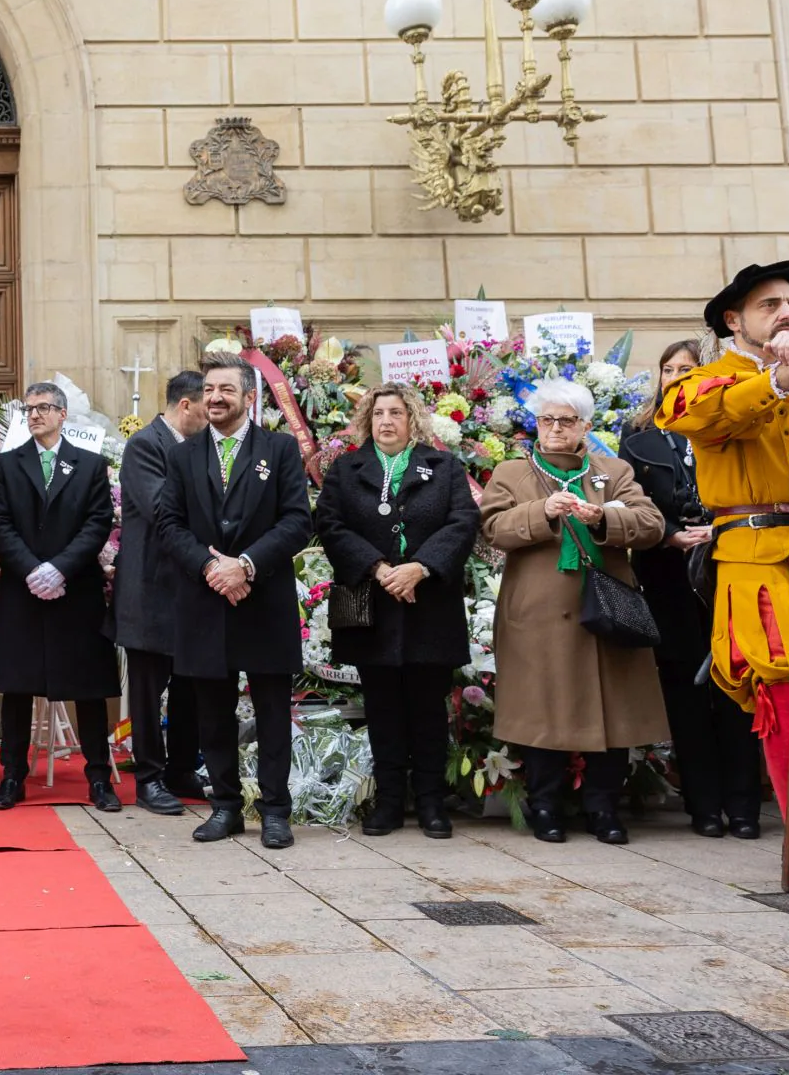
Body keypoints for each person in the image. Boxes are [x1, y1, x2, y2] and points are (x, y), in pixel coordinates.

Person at [661, 260, 789, 905]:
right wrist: (779, 376)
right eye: (769, 303)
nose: (786, 311)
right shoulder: (705, 378)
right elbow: (694, 416)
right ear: (733, 320)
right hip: (756, 551)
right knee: (784, 687)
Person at [480, 378, 669, 846]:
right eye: (548, 419)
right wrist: (543, 511)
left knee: (613, 712)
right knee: (541, 712)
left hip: (606, 610)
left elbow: (651, 524)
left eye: (567, 420)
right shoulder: (511, 472)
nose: (557, 428)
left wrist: (602, 517)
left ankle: (603, 807)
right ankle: (544, 805)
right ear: (536, 424)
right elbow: (492, 528)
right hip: (537, 613)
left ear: (585, 425)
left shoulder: (613, 469)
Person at [156, 354, 314, 849]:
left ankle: (274, 811)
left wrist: (244, 565)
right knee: (213, 713)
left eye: (226, 389)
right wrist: (211, 568)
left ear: (250, 397)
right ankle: (224, 806)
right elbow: (168, 524)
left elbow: (297, 521)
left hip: (263, 600)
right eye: (209, 389)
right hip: (206, 603)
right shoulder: (183, 455)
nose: (216, 397)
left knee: (270, 711)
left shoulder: (281, 449)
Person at [314, 383, 480, 839]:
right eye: (378, 413)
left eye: (396, 413)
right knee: (382, 709)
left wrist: (421, 568)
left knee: (428, 710)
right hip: (374, 607)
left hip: (429, 606)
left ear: (413, 420)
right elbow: (329, 523)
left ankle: (430, 804)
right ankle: (388, 803)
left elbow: (463, 521)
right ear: (368, 419)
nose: (386, 421)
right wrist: (379, 567)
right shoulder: (348, 468)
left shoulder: (443, 466)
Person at [621, 341, 764, 839]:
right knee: (683, 687)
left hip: (731, 562)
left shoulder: (731, 422)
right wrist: (667, 533)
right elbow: (628, 498)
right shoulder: (638, 435)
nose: (676, 376)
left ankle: (744, 805)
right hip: (668, 571)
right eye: (668, 369)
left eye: (688, 368)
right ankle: (703, 805)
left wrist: (723, 527)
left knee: (736, 683)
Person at [0, 382, 121, 814]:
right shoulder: (8, 463)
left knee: (88, 687)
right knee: (18, 686)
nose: (35, 415)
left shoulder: (89, 464)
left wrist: (60, 567)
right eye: (29, 409)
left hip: (74, 588)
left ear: (63, 414)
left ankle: (99, 777)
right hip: (23, 590)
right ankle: (12, 776)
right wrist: (32, 569)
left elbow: (98, 523)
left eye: (44, 408)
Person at [111, 370, 207, 815]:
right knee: (149, 693)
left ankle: (182, 768)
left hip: (191, 590)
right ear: (185, 406)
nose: (213, 417)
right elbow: (158, 509)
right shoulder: (146, 445)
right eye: (207, 408)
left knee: (190, 684)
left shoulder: (199, 446)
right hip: (150, 589)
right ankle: (149, 776)